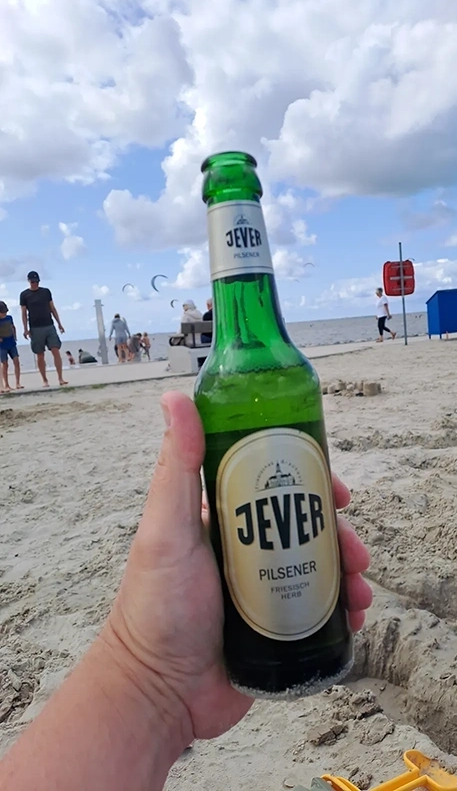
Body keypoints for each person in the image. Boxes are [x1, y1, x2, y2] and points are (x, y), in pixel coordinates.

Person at [0, 392, 372, 789]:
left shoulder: (241, 383)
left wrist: (152, 682)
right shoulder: (220, 386)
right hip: (242, 651)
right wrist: (150, 674)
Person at [19, 270, 68, 388]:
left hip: (49, 325)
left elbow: (52, 308)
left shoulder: (46, 292)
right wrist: (25, 329)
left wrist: (59, 324)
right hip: (35, 328)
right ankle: (45, 380)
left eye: (36, 282)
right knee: (40, 354)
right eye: (32, 282)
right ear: (29, 281)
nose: (34, 284)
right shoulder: (24, 295)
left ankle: (60, 378)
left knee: (55, 350)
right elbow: (24, 313)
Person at [0, 301, 23, 392]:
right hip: (2, 346)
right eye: (2, 313)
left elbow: (13, 327)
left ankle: (18, 383)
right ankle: (6, 384)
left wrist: (15, 336)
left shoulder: (9, 318)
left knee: (16, 361)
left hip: (11, 343)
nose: (4, 314)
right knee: (5, 364)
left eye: (5, 312)